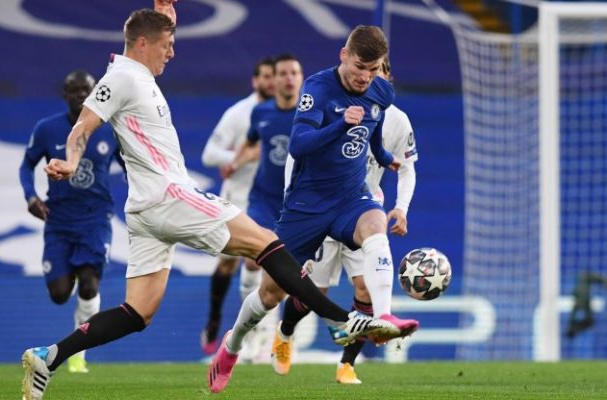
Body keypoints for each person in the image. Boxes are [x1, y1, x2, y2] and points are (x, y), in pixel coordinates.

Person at [21, 3, 388, 399]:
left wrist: (166, 13)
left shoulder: (138, 70)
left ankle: (49, 356)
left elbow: (153, 31)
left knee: (137, 313)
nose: (172, 52)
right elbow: (84, 123)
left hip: (144, 210)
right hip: (169, 195)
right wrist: (71, 160)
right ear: (143, 44)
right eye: (167, 45)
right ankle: (341, 321)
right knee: (266, 243)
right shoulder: (122, 77)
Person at [270, 56, 419, 384]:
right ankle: (285, 332)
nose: (369, 78)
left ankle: (347, 364)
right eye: (365, 71)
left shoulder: (396, 120)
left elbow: (406, 167)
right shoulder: (335, 103)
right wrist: (292, 202)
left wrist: (402, 208)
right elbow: (299, 152)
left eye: (377, 72)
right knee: (313, 292)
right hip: (321, 206)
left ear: (387, 79)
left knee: (365, 287)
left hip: (360, 211)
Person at [18, 70, 124, 374]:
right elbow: (26, 165)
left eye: (86, 90)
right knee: (60, 293)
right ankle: (74, 270)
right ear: (64, 95)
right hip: (59, 221)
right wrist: (31, 197)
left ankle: (78, 357)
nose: (80, 95)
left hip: (95, 219)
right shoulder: (47, 129)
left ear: (95, 93)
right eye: (74, 90)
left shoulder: (109, 129)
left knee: (89, 285)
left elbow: (131, 165)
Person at [199, 58, 275, 356]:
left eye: (274, 76)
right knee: (227, 264)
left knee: (259, 260)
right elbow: (209, 154)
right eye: (265, 76)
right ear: (255, 81)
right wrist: (237, 158)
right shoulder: (239, 113)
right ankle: (214, 318)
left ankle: (257, 334)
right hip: (237, 198)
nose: (271, 82)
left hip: (268, 199)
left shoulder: (286, 113)